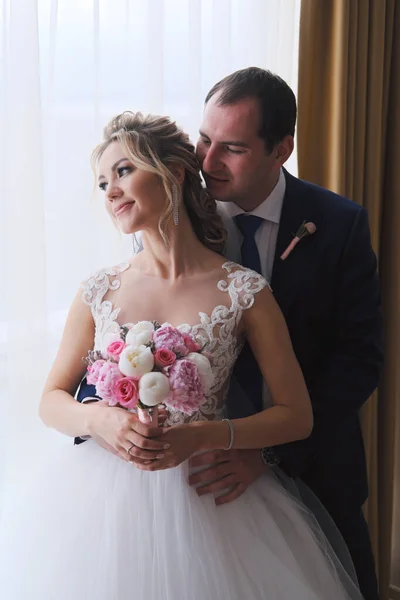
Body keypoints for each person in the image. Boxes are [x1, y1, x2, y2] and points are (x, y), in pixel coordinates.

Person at [0, 111, 363, 599]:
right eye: (102, 180)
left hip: (212, 496)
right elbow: (50, 400)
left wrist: (205, 437)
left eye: (124, 170)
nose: (109, 191)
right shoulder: (99, 289)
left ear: (172, 172)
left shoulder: (244, 290)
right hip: (103, 505)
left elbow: (296, 416)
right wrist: (101, 421)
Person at [76, 68, 383, 600]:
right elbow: (120, 341)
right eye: (203, 140)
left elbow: (358, 359)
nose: (208, 162)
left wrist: (263, 453)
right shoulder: (158, 219)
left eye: (233, 149)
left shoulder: (337, 225)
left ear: (280, 149)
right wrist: (107, 417)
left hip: (306, 462)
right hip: (175, 483)